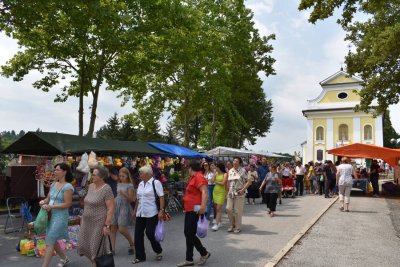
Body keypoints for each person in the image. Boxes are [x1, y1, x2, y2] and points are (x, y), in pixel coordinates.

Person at [78, 166, 115, 267]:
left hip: (98, 222)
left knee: (95, 249)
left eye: (94, 174)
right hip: (86, 222)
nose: (92, 176)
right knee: (82, 245)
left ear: (102, 177)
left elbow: (111, 208)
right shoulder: (90, 186)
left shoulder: (106, 189)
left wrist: (107, 226)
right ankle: (94, 263)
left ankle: (95, 264)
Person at [39, 163, 74, 267]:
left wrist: (52, 207)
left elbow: (68, 204)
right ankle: (64, 258)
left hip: (60, 216)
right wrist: (43, 201)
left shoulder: (68, 186)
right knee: (52, 240)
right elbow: (48, 199)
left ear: (64, 172)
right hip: (50, 215)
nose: (55, 172)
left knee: (50, 239)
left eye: (57, 170)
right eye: (55, 170)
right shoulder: (54, 184)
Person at [177, 160, 210, 267]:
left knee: (188, 233)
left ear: (191, 168)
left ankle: (203, 253)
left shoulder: (199, 177)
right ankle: (189, 259)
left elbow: (204, 192)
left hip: (195, 209)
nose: (187, 170)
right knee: (189, 233)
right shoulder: (193, 177)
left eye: (187, 168)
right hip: (190, 208)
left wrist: (203, 206)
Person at [132, 165, 165, 264]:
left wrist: (161, 210)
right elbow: (138, 198)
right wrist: (135, 211)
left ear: (147, 174)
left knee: (150, 233)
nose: (139, 175)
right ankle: (140, 256)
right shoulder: (141, 184)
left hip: (152, 212)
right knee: (137, 235)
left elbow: (161, 197)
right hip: (140, 212)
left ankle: (158, 250)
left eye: (141, 173)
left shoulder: (156, 183)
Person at [110, 167, 136, 255]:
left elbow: (132, 199)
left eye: (123, 176)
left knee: (121, 228)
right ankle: (112, 249)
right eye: (120, 176)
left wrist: (125, 194)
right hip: (116, 205)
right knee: (113, 228)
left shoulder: (130, 185)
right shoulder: (118, 183)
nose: (121, 178)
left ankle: (132, 243)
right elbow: (117, 195)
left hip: (124, 206)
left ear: (127, 176)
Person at [226, 157, 250, 234]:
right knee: (228, 209)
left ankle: (237, 227)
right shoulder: (230, 171)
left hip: (240, 192)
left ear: (239, 163)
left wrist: (242, 190)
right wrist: (227, 190)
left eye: (237, 161)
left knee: (237, 211)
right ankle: (232, 224)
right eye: (234, 161)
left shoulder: (243, 171)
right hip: (231, 192)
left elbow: (249, 182)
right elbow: (229, 182)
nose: (235, 162)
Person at [211, 162, 228, 231]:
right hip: (215, 191)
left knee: (218, 209)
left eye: (216, 167)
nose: (215, 168)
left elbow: (223, 183)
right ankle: (219, 222)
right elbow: (212, 181)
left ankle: (216, 224)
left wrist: (216, 182)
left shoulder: (225, 174)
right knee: (216, 208)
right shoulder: (216, 173)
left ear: (219, 167)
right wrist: (214, 175)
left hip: (221, 192)